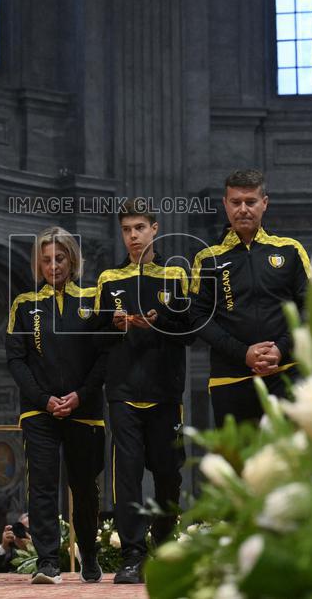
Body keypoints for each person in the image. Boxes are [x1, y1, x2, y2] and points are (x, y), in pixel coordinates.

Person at [94, 200, 191, 584]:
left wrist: (160, 321)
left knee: (168, 474)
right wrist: (113, 326)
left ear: (155, 228)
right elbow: (95, 339)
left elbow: (191, 330)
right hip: (122, 391)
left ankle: (164, 544)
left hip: (165, 391)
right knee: (127, 475)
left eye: (139, 228)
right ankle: (132, 555)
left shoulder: (175, 274)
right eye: (126, 230)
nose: (133, 236)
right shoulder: (108, 279)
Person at [6, 228, 106, 584]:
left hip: (85, 409)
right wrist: (44, 399)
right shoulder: (24, 304)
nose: (53, 266)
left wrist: (81, 394)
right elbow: (16, 360)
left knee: (85, 487)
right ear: (38, 263)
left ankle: (89, 554)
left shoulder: (93, 299)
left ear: (72, 260)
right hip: (40, 411)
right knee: (42, 486)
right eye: (46, 260)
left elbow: (105, 357)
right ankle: (47, 561)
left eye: (59, 258)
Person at [190, 169, 311, 424]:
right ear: (225, 204)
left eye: (251, 202)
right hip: (229, 380)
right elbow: (198, 317)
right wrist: (242, 352)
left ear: (264, 203)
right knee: (235, 453)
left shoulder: (290, 250)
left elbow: (310, 309)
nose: (243, 209)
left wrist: (281, 348)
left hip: (285, 374)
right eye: (236, 202)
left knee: (289, 450)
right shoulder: (207, 259)